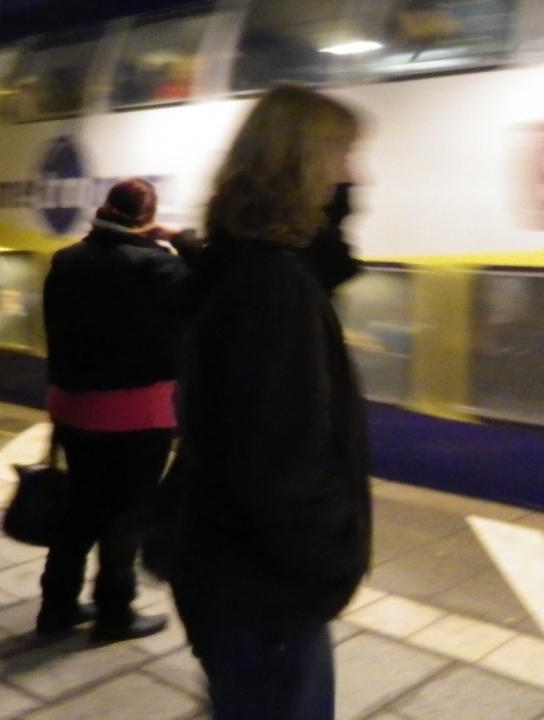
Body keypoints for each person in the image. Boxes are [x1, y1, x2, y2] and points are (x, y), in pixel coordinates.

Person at [172, 85, 372, 720]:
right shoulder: (273, 289)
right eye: (343, 157)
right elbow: (278, 464)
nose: (355, 177)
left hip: (239, 578)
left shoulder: (247, 266)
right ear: (305, 164)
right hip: (265, 593)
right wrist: (331, 560)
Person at [36, 178, 197, 641]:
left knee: (80, 508)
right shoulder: (159, 266)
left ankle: (57, 607)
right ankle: (115, 612)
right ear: (149, 216)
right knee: (126, 514)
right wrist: (179, 238)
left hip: (72, 409)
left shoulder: (66, 260)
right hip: (136, 414)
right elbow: (213, 279)